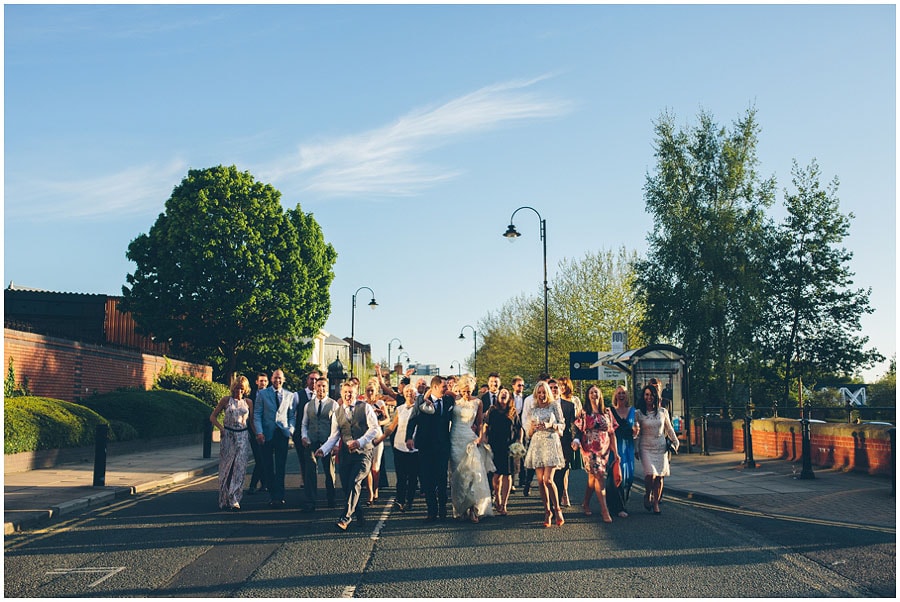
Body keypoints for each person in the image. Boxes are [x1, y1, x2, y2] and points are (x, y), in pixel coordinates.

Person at [316, 381, 380, 531]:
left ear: (356, 393)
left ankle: (345, 518)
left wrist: (360, 441)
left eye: (351, 392)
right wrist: (323, 450)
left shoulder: (365, 408)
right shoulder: (337, 413)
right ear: (341, 393)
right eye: (345, 392)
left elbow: (375, 429)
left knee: (355, 482)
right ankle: (359, 514)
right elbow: (334, 436)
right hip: (345, 455)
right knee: (347, 487)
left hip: (363, 454)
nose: (348, 395)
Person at [405, 375, 455, 521]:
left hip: (442, 445)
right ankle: (431, 510)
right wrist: (409, 438)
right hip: (426, 446)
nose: (446, 388)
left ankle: (442, 509)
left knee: (441, 478)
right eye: (444, 386)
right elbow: (412, 420)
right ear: (434, 387)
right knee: (428, 480)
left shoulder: (448, 401)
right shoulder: (420, 401)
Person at [449, 374, 494, 522]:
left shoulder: (478, 402)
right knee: (458, 475)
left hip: (469, 437)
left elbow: (480, 422)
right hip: (455, 439)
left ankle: (473, 508)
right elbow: (436, 391)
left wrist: (480, 437)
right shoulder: (454, 400)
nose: (466, 394)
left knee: (472, 473)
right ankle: (460, 508)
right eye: (463, 391)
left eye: (468, 391)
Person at [573, 385, 619, 523]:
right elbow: (578, 430)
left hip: (604, 450)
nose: (594, 394)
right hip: (589, 450)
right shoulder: (584, 412)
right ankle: (605, 510)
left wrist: (616, 453)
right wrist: (575, 441)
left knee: (593, 479)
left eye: (596, 392)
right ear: (588, 396)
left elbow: (611, 433)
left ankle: (586, 502)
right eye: (591, 392)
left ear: (600, 395)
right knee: (599, 476)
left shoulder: (607, 412)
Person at [523, 380, 566, 527]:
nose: (541, 395)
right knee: (540, 481)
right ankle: (547, 511)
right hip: (537, 443)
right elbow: (528, 431)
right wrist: (532, 428)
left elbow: (562, 424)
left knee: (548, 479)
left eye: (543, 392)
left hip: (550, 441)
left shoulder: (554, 405)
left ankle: (557, 509)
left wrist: (550, 425)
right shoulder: (533, 408)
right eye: (539, 392)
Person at [253, 369, 295, 507]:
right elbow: (257, 414)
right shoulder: (263, 394)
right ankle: (272, 494)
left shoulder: (290, 395)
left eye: (280, 378)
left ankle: (279, 496)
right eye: (275, 378)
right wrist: (259, 432)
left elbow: (292, 416)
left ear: (283, 380)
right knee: (268, 466)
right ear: (271, 379)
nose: (278, 380)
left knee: (281, 466)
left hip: (282, 434)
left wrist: (290, 430)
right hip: (267, 434)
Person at [210, 375, 252, 511]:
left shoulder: (248, 403)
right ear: (233, 388)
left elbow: (251, 422)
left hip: (243, 436)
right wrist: (221, 428)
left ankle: (234, 498)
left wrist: (259, 435)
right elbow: (212, 417)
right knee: (227, 467)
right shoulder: (226, 401)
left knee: (239, 468)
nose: (239, 391)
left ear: (245, 390)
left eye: (242, 389)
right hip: (228, 435)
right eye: (237, 388)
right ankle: (225, 496)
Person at [635, 384, 679, 515]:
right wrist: (636, 448)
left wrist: (675, 441)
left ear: (656, 396)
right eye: (646, 394)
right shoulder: (638, 413)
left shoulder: (662, 412)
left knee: (659, 476)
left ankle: (655, 503)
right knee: (650, 474)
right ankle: (648, 494)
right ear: (643, 396)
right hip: (646, 446)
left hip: (660, 447)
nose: (649, 397)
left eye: (651, 395)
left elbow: (669, 429)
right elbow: (636, 433)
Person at [376, 383, 419, 512]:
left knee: (412, 477)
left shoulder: (420, 409)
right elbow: (391, 427)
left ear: (416, 394)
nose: (409, 394)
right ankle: (400, 500)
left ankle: (409, 501)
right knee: (401, 476)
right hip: (399, 446)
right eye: (407, 392)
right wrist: (380, 439)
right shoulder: (400, 409)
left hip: (415, 448)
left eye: (412, 392)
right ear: (403, 394)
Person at [298, 376, 337, 512]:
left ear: (327, 388)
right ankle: (310, 501)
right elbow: (304, 424)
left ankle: (331, 498)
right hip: (312, 441)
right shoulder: (308, 405)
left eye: (324, 386)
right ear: (315, 387)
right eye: (319, 386)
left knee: (329, 472)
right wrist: (304, 436)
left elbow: (336, 427)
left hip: (327, 442)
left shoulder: (334, 404)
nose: (321, 388)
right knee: (310, 471)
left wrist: (335, 444)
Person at [484, 386, 521, 515]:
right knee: (496, 475)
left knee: (508, 474)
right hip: (495, 446)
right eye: (502, 393)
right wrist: (484, 439)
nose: (504, 394)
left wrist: (519, 442)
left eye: (506, 393)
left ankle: (504, 504)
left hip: (510, 447)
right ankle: (497, 497)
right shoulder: (492, 411)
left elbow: (519, 428)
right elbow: (486, 426)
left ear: (509, 397)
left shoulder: (513, 412)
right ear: (498, 396)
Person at [607, 384, 637, 518]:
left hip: (629, 446)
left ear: (627, 395)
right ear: (615, 395)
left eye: (623, 393)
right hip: (615, 446)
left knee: (628, 477)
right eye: (619, 393)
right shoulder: (610, 411)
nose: (621, 395)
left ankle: (623, 503)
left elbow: (637, 428)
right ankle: (618, 507)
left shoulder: (633, 411)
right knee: (615, 476)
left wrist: (637, 432)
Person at [520, 372, 552, 496]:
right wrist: (529, 431)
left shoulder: (551, 402)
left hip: (549, 437)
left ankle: (550, 494)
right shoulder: (529, 400)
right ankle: (528, 482)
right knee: (533, 463)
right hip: (534, 435)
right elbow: (525, 417)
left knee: (547, 468)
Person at [362, 377, 390, 506]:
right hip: (366, 435)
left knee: (375, 466)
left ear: (376, 391)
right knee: (367, 467)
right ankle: (370, 494)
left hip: (377, 435)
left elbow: (387, 419)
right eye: (368, 390)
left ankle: (376, 489)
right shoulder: (362, 404)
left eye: (372, 390)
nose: (370, 393)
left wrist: (379, 421)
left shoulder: (380, 404)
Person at [552, 377, 578, 508]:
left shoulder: (569, 405)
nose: (553, 390)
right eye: (550, 388)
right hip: (548, 444)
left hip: (564, 443)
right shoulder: (542, 405)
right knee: (550, 475)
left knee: (562, 473)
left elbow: (573, 424)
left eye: (556, 387)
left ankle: (558, 499)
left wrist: (575, 439)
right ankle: (551, 503)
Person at [246, 372, 269, 495]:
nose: (263, 383)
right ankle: (253, 485)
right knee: (260, 459)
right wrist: (255, 432)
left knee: (264, 458)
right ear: (256, 382)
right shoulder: (251, 396)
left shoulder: (270, 395)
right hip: (254, 432)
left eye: (265, 381)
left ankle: (264, 484)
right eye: (261, 381)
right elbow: (250, 417)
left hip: (267, 432)